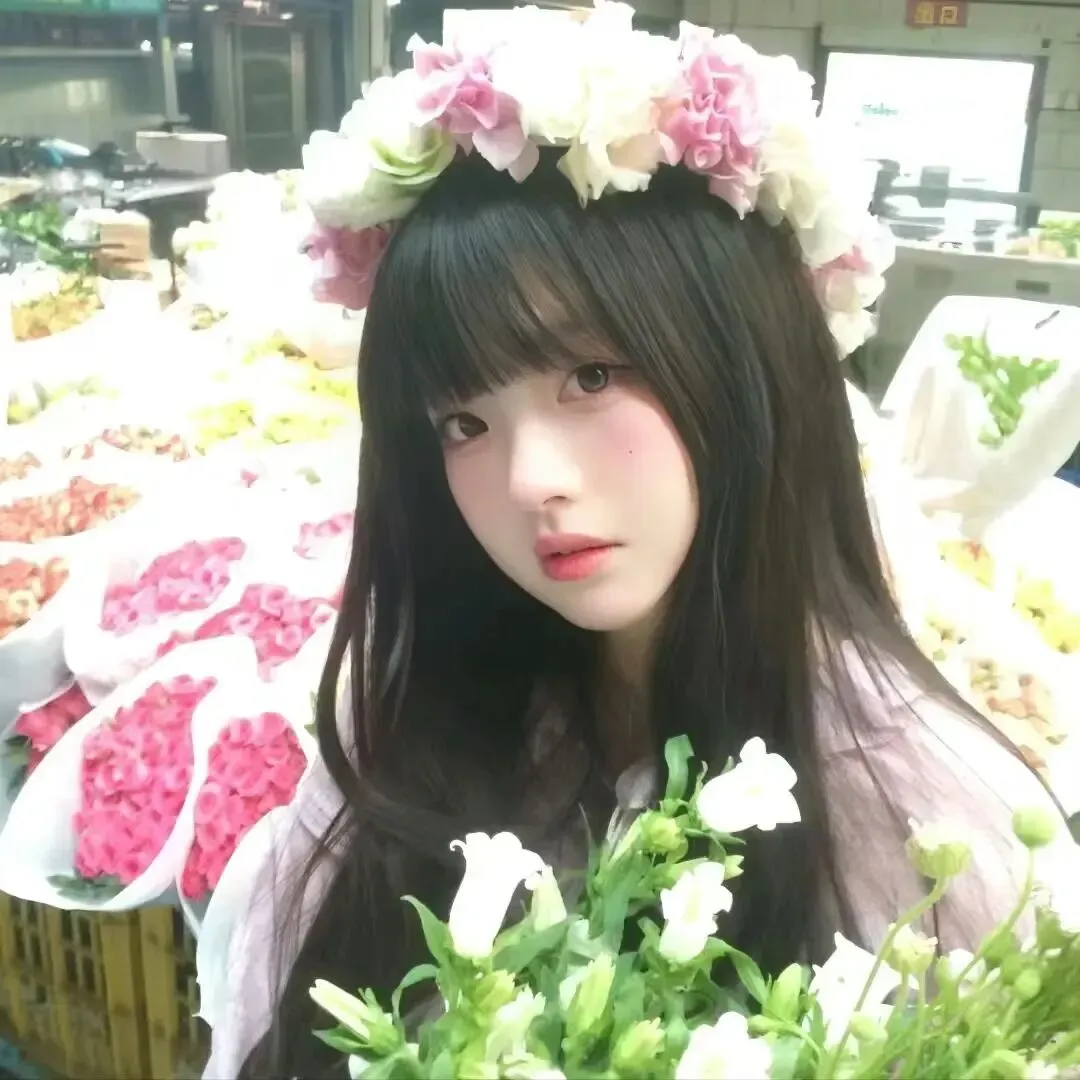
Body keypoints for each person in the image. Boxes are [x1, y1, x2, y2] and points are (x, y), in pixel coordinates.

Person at [203, 7, 1069, 1077]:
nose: (529, 480)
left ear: (749, 364)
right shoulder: (422, 711)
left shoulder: (925, 823)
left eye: (591, 376)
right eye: (461, 422)